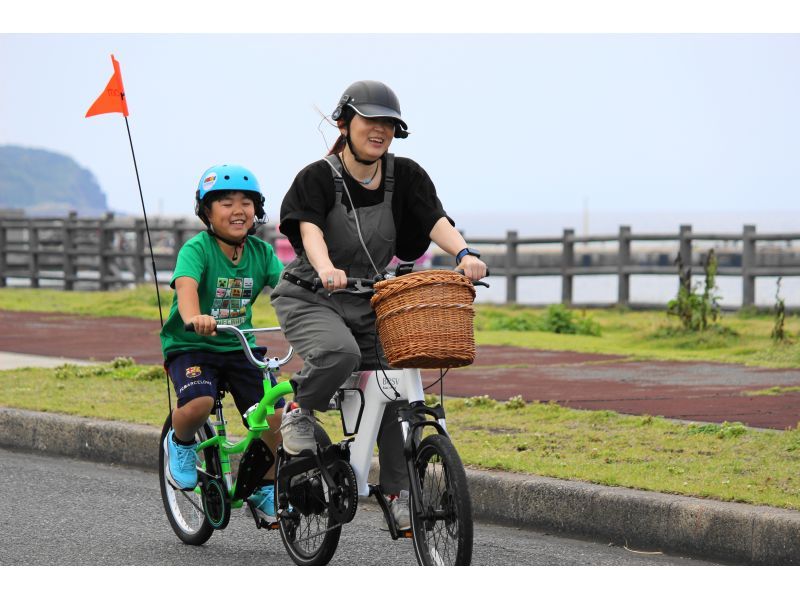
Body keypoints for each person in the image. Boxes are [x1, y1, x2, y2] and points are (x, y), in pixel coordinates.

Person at [270, 80, 487, 529]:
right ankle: (299, 410)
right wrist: (327, 266)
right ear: (345, 123)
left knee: (394, 381)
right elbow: (308, 230)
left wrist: (465, 254)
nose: (380, 130)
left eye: (388, 124)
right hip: (312, 294)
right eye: (371, 121)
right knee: (340, 353)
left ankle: (397, 490)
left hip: (370, 297)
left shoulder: (404, 175)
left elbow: (434, 220)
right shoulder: (318, 176)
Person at [160, 164, 284, 518]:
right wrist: (192, 317)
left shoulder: (261, 253)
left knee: (275, 417)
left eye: (246, 202)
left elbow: (289, 287)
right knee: (199, 403)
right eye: (226, 203)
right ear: (207, 211)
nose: (238, 210)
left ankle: (262, 486)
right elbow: (186, 286)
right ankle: (180, 442)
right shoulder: (197, 249)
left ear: (256, 210)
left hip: (238, 345)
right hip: (191, 345)